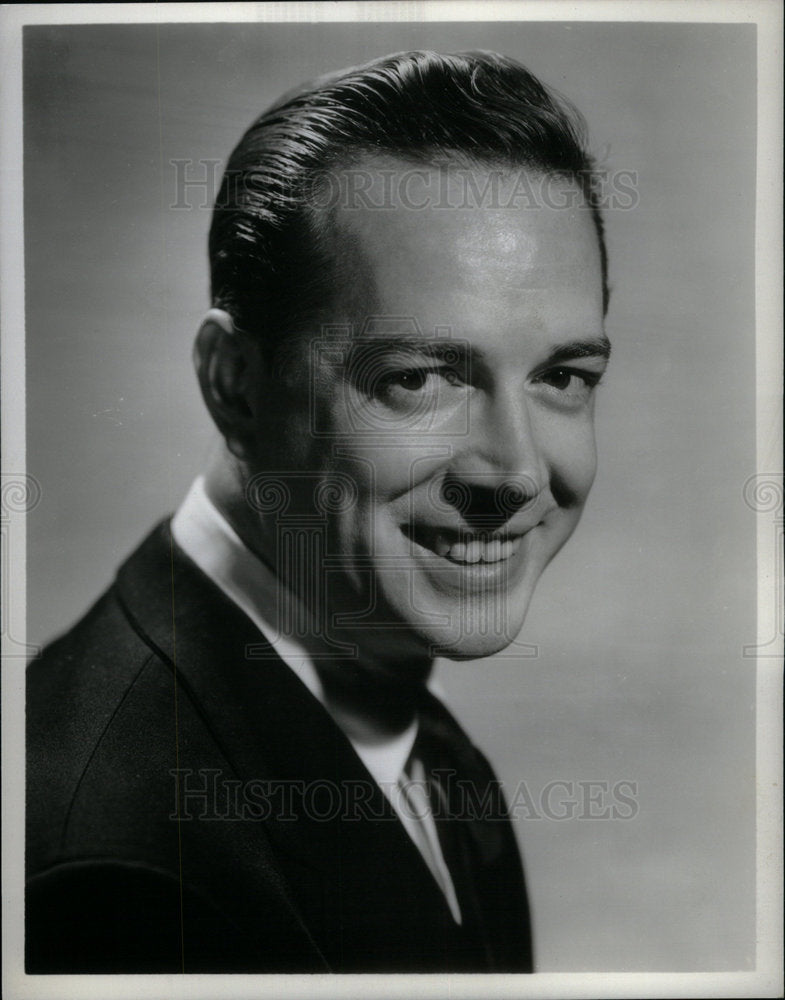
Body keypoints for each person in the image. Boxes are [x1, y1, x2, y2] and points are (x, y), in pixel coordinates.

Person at [26, 50, 610, 973]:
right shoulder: (124, 872)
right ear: (236, 385)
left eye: (561, 378)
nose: (515, 471)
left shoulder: (406, 733)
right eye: (416, 379)